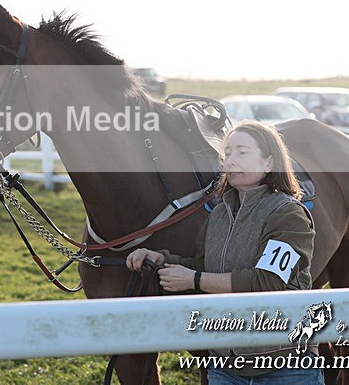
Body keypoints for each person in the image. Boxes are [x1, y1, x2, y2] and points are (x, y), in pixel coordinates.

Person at [126, 120, 322, 384]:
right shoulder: (219, 213)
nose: (231, 160)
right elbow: (204, 263)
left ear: (268, 163)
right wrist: (161, 260)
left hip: (285, 364)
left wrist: (194, 280)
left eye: (242, 153)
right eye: (227, 153)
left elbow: (268, 282)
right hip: (225, 365)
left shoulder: (289, 214)